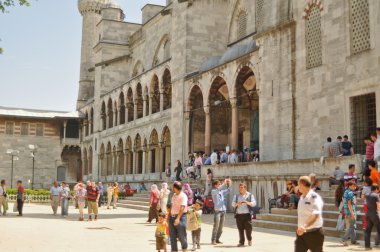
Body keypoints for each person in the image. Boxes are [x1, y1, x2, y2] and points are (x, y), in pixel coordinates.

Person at [295, 176, 324, 252]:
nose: (297, 187)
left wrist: (304, 226)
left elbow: (315, 215)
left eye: (298, 184)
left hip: (314, 234)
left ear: (302, 184)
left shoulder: (314, 197)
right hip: (301, 234)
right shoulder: (301, 197)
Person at [232, 183, 256, 247]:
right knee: (240, 229)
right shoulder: (236, 195)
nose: (240, 189)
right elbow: (232, 204)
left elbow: (254, 203)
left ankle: (249, 239)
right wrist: (237, 204)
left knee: (248, 229)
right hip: (239, 215)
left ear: (245, 188)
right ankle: (241, 242)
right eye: (240, 187)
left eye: (242, 187)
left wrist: (248, 203)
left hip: (247, 215)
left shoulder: (250, 195)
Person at [168, 181, 188, 252]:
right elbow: (172, 205)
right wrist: (169, 215)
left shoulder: (183, 196)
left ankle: (185, 249)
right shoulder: (174, 195)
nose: (172, 188)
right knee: (172, 236)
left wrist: (178, 218)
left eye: (173, 187)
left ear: (175, 188)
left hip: (181, 217)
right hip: (172, 217)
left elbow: (182, 207)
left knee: (182, 235)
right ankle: (174, 250)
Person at [211, 178, 232, 245]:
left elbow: (229, 190)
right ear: (215, 185)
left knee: (221, 227)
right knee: (216, 226)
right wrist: (224, 183)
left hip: (223, 210)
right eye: (218, 184)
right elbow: (219, 189)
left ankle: (217, 239)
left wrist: (229, 184)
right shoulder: (213, 191)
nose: (220, 185)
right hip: (217, 211)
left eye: (220, 184)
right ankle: (213, 240)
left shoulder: (221, 192)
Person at [341, 181, 358, 246]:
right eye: (354, 186)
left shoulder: (345, 192)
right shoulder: (350, 193)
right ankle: (344, 239)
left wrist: (346, 212)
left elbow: (343, 201)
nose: (355, 187)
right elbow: (349, 203)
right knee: (351, 227)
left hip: (347, 211)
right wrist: (352, 213)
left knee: (352, 226)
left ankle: (353, 241)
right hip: (351, 211)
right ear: (350, 186)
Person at [364, 185, 380, 250]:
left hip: (368, 214)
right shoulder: (376, 195)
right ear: (376, 189)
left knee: (367, 231)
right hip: (375, 214)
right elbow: (378, 205)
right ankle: (376, 242)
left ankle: (367, 246)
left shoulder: (367, 195)